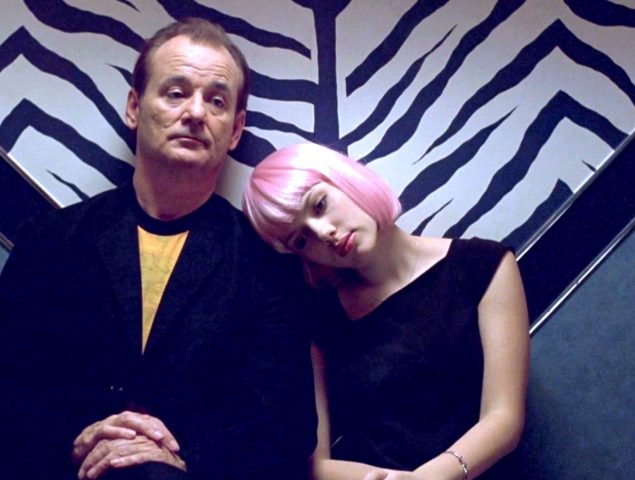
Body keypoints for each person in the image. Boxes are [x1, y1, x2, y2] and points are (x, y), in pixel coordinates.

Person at [0, 18, 316, 480]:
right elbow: (9, 384)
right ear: (134, 107)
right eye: (176, 93)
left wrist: (178, 457)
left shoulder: (268, 266)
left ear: (235, 130)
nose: (196, 112)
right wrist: (74, 442)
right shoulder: (48, 242)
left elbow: (287, 426)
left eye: (217, 101)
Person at [242, 143, 530, 480]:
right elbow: (316, 464)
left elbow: (504, 419)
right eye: (301, 240)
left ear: (346, 179)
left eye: (319, 205)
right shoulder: (318, 318)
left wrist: (426, 478)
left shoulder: (483, 266)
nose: (324, 233)